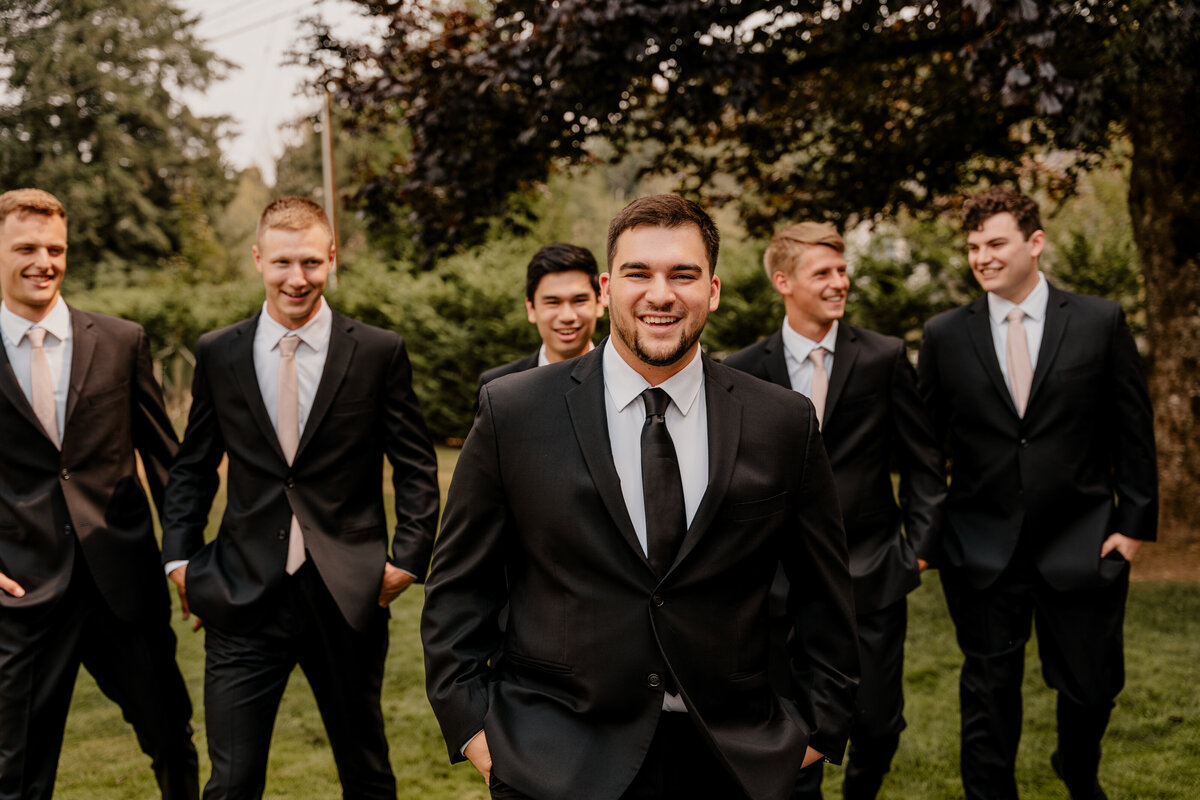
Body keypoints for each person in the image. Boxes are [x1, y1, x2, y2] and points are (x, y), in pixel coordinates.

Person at [422, 194, 859, 800]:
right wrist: (472, 726)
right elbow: (458, 588)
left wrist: (817, 726)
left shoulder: (781, 421)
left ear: (713, 289)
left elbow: (826, 596)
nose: (660, 294)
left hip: (735, 759)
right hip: (555, 758)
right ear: (607, 288)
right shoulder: (515, 412)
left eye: (683, 274)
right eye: (638, 273)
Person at [161, 196, 440, 799]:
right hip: (241, 594)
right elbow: (193, 467)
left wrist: (407, 560)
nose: (297, 278)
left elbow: (415, 465)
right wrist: (180, 561)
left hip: (346, 594)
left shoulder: (377, 351)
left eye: (312, 262)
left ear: (332, 259)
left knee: (366, 772)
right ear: (258, 258)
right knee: (231, 783)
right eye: (282, 261)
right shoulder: (219, 351)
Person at [917, 187, 1157, 800]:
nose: (982, 257)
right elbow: (924, 447)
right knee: (987, 694)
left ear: (1035, 242)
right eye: (973, 247)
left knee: (1092, 686)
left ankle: (1077, 767)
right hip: (981, 547)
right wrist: (932, 530)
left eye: (995, 243)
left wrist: (1132, 528)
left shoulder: (1100, 321)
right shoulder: (945, 335)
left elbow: (1132, 429)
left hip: (1084, 542)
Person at [725, 221, 946, 800]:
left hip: (871, 571)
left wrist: (918, 552)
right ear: (783, 281)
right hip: (773, 587)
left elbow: (924, 462)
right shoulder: (744, 368)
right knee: (791, 729)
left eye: (842, 270)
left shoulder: (883, 357)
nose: (839, 282)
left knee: (877, 724)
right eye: (823, 272)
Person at [0, 188, 198, 799]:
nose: (45, 261)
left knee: (173, 742)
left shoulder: (120, 341)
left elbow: (170, 464)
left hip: (125, 587)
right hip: (21, 591)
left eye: (55, 248)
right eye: (26, 247)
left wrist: (186, 558)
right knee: (16, 770)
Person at [477, 242, 604, 390]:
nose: (567, 316)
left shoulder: (623, 377)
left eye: (579, 300)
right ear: (531, 308)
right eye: (553, 302)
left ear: (599, 302)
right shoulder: (495, 386)